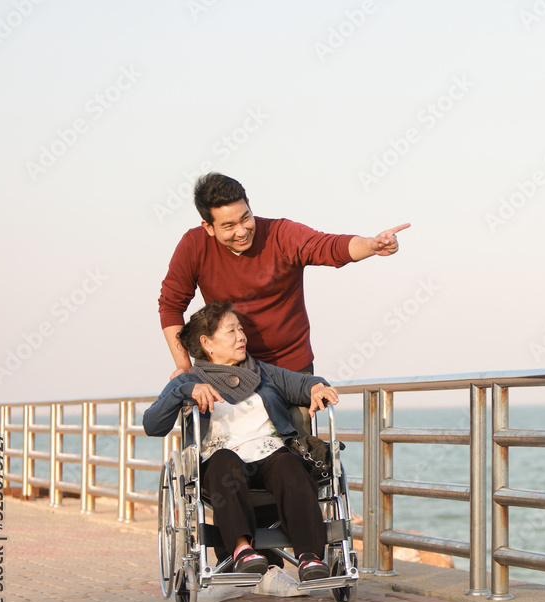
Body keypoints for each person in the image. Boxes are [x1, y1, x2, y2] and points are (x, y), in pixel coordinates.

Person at [143, 301, 340, 581]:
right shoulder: (188, 381)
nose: (241, 337)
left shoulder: (262, 372)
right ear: (207, 343)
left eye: (241, 329)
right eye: (231, 331)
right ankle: (242, 550)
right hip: (221, 463)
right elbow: (152, 425)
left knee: (290, 465)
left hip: (270, 455)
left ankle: (309, 556)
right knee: (225, 462)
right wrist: (186, 391)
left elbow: (301, 383)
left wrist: (317, 387)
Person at [158, 172, 409, 379]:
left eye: (246, 218)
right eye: (228, 226)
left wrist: (371, 245)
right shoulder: (193, 245)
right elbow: (170, 305)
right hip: (229, 371)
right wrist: (184, 367)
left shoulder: (281, 234)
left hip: (291, 367)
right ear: (208, 227)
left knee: (297, 440)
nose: (242, 231)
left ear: (249, 205)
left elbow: (328, 247)